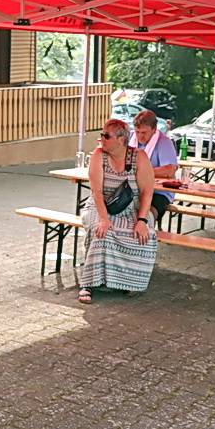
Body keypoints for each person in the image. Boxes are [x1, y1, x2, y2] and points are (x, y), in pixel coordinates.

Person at [78, 119, 158, 304]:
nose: (101, 139)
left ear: (121, 139)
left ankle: (129, 281)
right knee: (102, 231)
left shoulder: (139, 157)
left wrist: (142, 220)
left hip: (130, 208)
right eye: (102, 135)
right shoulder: (99, 155)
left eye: (106, 136)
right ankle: (88, 283)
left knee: (143, 234)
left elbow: (147, 192)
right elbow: (96, 192)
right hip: (100, 206)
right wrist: (104, 218)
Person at [129, 109, 177, 226]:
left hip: (159, 192)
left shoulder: (164, 142)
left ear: (154, 129)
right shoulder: (130, 138)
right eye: (137, 132)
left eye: (144, 133)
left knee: (147, 215)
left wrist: (140, 172)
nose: (140, 136)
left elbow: (169, 171)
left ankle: (148, 232)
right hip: (134, 189)